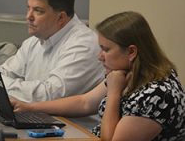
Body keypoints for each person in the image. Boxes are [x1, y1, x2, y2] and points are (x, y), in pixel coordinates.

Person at [11, 11, 185, 141]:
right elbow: (85, 102)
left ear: (131, 51)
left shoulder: (158, 94)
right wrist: (29, 107)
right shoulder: (126, 74)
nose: (99, 56)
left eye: (106, 49)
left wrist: (114, 93)